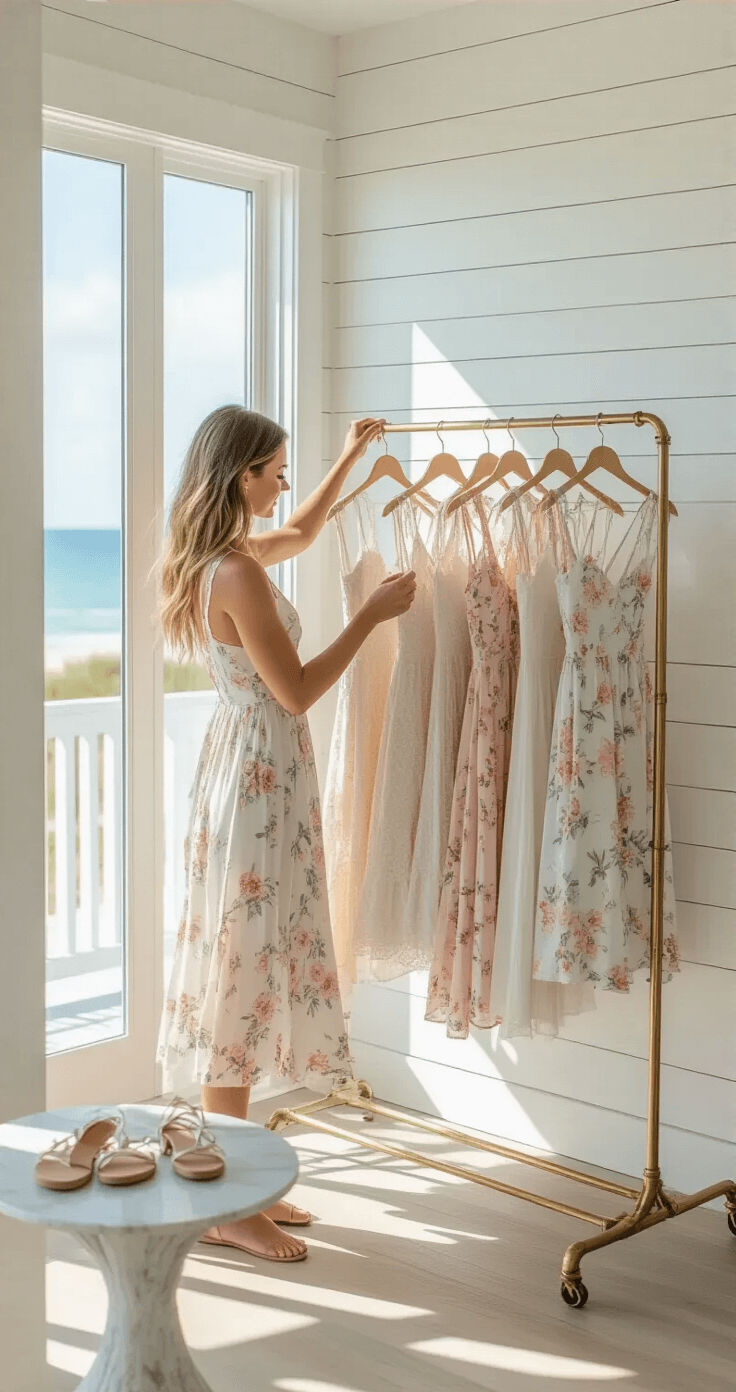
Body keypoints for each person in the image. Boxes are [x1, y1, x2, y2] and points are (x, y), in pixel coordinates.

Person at [157, 407, 416, 1261]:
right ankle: (227, 1203)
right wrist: (371, 616)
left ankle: (233, 1184)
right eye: (274, 470)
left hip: (258, 778)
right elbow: (298, 689)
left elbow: (301, 533)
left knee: (251, 968)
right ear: (240, 477)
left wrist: (348, 458)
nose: (284, 485)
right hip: (257, 789)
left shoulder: (230, 558)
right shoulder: (231, 573)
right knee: (239, 978)